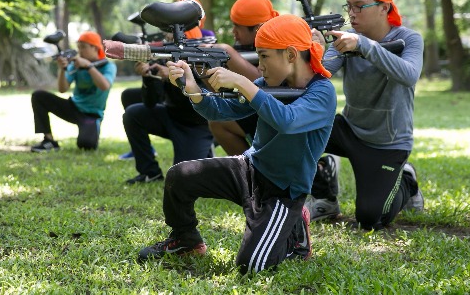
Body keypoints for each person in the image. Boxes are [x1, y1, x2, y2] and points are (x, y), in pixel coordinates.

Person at [138, 14, 337, 274]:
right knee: (179, 176)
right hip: (250, 168)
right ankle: (186, 239)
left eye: (264, 56)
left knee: (252, 266)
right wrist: (192, 88)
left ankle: (295, 231)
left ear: (290, 55)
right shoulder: (266, 84)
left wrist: (241, 82)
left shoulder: (322, 92)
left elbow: (288, 121)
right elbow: (220, 111)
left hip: (283, 190)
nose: (260, 66)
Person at [306, 0, 425, 230]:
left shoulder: (411, 38)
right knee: (296, 130)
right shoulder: (345, 38)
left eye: (359, 6)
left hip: (388, 143)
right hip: (350, 129)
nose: (352, 13)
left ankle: (406, 180)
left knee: (371, 219)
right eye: (349, 6)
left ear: (384, 8)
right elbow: (321, 74)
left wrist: (364, 45)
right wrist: (315, 51)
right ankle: (324, 195)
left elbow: (409, 75)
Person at [118, 0, 204, 161]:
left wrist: (177, 78)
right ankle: (149, 172)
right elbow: (150, 103)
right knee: (132, 114)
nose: (168, 37)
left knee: (183, 177)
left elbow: (204, 95)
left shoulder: (198, 45)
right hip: (171, 116)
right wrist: (148, 77)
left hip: (196, 126)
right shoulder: (164, 53)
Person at [207, 0, 279, 156]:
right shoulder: (244, 49)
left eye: (237, 26)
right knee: (218, 121)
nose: (233, 32)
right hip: (263, 114)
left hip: (282, 116)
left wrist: (227, 52)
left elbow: (263, 83)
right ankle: (248, 173)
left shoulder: (279, 43)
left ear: (258, 28)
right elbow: (219, 94)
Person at [30, 31, 117, 152]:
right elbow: (62, 89)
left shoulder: (108, 66)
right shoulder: (76, 64)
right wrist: (62, 69)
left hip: (91, 114)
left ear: (95, 48)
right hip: (73, 107)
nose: (80, 51)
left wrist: (89, 67)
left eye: (83, 47)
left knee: (86, 145)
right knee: (39, 96)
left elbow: (104, 86)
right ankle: (49, 140)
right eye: (78, 47)